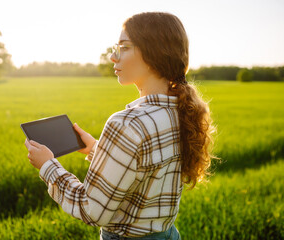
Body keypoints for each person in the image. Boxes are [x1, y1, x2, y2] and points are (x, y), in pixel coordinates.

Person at [25, 12, 215, 240]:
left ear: (154, 52)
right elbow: (145, 169)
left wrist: (48, 166)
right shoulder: (181, 111)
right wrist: (97, 148)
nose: (114, 57)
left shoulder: (127, 123)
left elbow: (91, 210)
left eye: (124, 47)